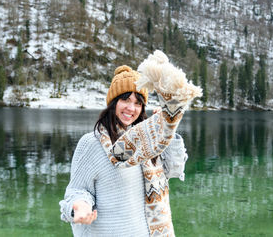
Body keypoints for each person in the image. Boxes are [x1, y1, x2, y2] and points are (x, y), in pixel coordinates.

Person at [59, 50, 202, 236]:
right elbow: (77, 190)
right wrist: (80, 207)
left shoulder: (148, 139)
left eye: (138, 103)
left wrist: (168, 129)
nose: (131, 108)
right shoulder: (91, 143)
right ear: (113, 102)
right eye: (125, 100)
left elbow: (174, 169)